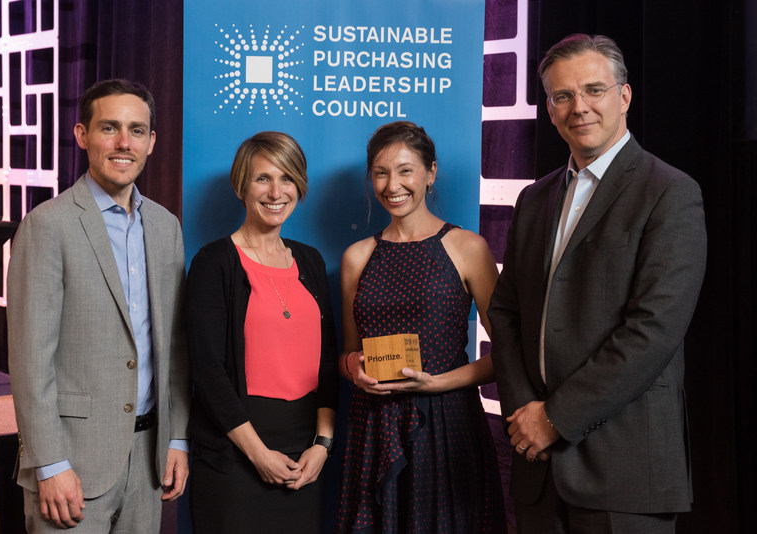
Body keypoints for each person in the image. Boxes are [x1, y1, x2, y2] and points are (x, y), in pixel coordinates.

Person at [488, 34, 707, 533]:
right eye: (563, 96)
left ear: (624, 96)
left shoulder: (669, 193)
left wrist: (554, 419)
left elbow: (653, 331)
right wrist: (525, 410)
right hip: (537, 468)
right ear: (549, 108)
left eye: (594, 90)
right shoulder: (534, 199)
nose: (579, 107)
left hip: (624, 468)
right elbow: (506, 313)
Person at [7, 79, 191, 533]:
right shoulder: (47, 225)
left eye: (136, 130)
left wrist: (177, 437)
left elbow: (175, 347)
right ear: (82, 135)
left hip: (148, 462)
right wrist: (49, 464)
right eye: (109, 128)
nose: (123, 143)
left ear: (152, 141)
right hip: (72, 465)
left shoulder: (166, 227)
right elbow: (31, 360)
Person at [336, 121, 508, 533]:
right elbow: (346, 353)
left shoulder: (468, 247)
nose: (392, 184)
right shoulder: (357, 256)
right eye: (380, 172)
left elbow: (507, 355)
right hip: (374, 426)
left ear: (431, 173)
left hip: (448, 424)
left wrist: (438, 384)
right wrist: (354, 370)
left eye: (405, 169)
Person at [186, 131, 338, 533]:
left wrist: (322, 446)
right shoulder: (213, 262)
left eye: (287, 178)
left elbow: (326, 362)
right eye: (262, 178)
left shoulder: (311, 260)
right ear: (241, 185)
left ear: (300, 186)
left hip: (305, 456)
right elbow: (207, 369)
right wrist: (257, 453)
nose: (276, 191)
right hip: (236, 454)